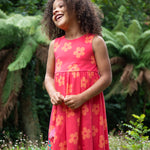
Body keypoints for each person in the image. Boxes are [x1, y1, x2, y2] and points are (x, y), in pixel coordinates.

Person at [43, 0, 112, 149]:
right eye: (53, 9)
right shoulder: (54, 45)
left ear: (77, 8)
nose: (55, 11)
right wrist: (52, 93)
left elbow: (106, 77)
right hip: (62, 111)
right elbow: (49, 76)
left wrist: (82, 97)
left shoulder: (95, 41)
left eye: (60, 6)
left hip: (89, 109)